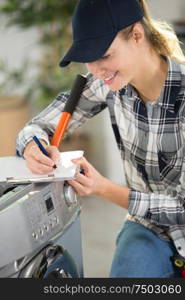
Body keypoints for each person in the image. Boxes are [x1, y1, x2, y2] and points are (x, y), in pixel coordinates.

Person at [16, 0, 185, 278]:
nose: (96, 70)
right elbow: (36, 127)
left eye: (104, 56)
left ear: (137, 36)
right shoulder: (106, 84)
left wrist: (103, 188)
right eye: (89, 59)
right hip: (147, 226)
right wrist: (34, 146)